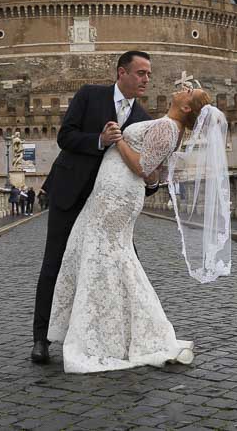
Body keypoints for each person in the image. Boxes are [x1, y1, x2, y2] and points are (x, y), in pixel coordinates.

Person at [47, 87, 213, 373]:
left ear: (187, 108)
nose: (183, 88)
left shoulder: (167, 126)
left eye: (189, 91)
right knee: (107, 258)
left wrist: (118, 139)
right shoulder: (168, 125)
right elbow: (152, 172)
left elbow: (140, 166)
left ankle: (106, 338)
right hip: (109, 194)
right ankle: (113, 330)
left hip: (117, 196)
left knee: (107, 258)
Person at [31, 51, 156, 364]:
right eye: (140, 73)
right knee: (55, 263)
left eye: (148, 74)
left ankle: (122, 337)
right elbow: (65, 136)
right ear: (121, 73)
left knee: (125, 265)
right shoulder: (89, 95)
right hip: (71, 193)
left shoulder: (143, 120)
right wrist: (99, 140)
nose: (146, 79)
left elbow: (141, 169)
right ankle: (41, 340)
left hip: (109, 206)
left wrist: (153, 180)